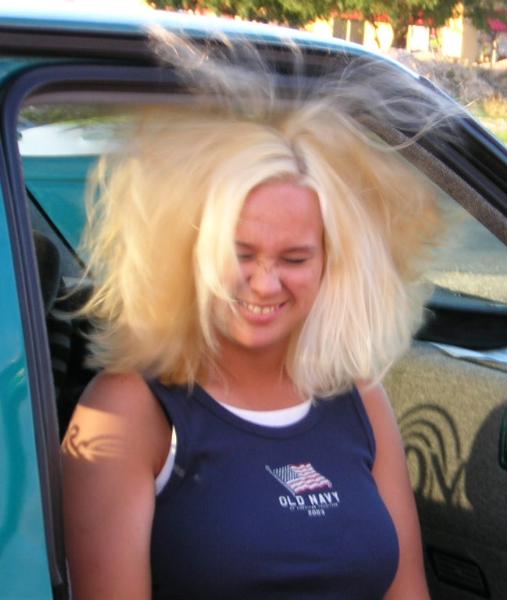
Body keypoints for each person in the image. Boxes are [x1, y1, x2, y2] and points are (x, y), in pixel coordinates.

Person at [61, 31, 446, 600]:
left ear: (331, 264)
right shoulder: (129, 410)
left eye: (295, 258)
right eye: (239, 254)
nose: (265, 283)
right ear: (188, 253)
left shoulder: (359, 399)